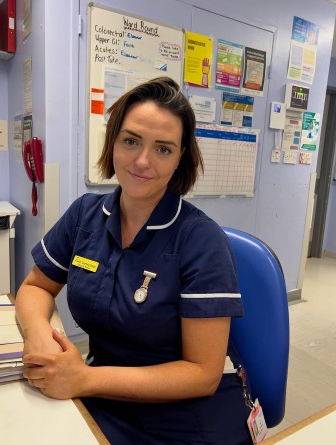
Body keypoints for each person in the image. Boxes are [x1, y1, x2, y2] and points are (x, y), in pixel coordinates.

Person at [15, 77, 252, 444]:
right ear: (112, 144)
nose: (142, 161)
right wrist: (38, 337)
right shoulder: (85, 215)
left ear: (180, 159)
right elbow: (35, 287)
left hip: (183, 413)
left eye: (163, 149)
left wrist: (84, 379)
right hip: (103, 396)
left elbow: (202, 374)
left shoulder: (201, 241)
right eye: (130, 141)